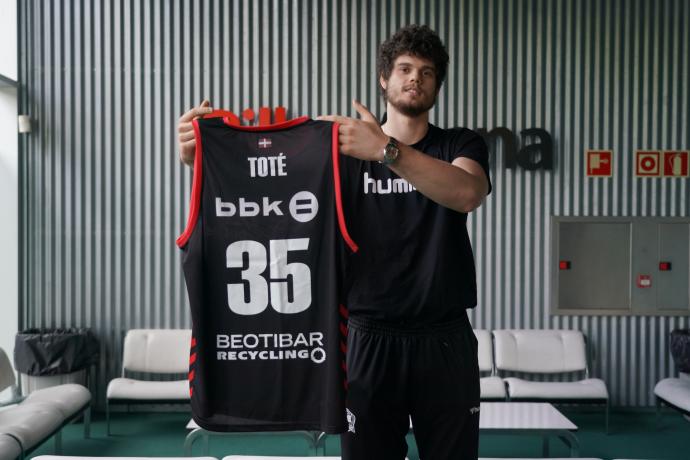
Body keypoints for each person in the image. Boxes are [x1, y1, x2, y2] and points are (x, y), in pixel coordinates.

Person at [178, 24, 490, 460]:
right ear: (384, 79)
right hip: (367, 336)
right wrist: (203, 158)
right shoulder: (341, 149)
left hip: (443, 338)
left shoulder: (459, 143)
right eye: (404, 68)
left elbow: (467, 193)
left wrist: (386, 150)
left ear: (437, 85)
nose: (415, 78)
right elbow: (268, 183)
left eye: (426, 71)